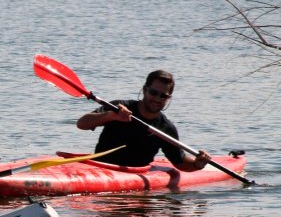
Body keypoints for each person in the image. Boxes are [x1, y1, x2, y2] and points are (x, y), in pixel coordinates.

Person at [76, 70, 211, 171]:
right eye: (153, 92)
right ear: (145, 90)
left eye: (163, 96)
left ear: (168, 98)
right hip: (102, 167)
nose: (157, 99)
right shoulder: (119, 107)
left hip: (134, 174)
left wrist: (197, 164)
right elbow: (82, 124)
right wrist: (111, 116)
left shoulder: (166, 128)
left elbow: (179, 161)